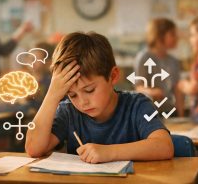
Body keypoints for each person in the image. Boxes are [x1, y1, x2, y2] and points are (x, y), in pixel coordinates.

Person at [25, 32, 173, 163]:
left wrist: (108, 152)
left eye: (89, 90)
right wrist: (52, 94)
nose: (83, 102)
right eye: (72, 94)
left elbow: (164, 146)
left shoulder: (137, 105)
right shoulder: (68, 111)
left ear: (113, 76)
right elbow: (33, 149)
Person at [134, 18, 184, 116]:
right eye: (172, 34)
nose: (177, 38)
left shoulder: (174, 61)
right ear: (159, 35)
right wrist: (152, 92)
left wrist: (181, 115)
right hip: (150, 113)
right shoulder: (143, 57)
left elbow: (177, 91)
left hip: (170, 112)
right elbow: (138, 88)